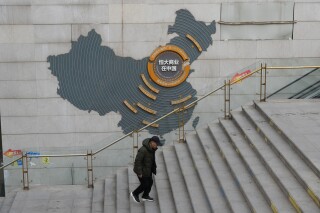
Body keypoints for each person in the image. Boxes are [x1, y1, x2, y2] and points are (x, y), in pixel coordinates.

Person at [130, 136, 161, 203]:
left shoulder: (151, 149)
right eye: (156, 144)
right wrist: (139, 173)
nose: (157, 146)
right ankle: (135, 193)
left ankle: (145, 196)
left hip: (148, 170)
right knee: (145, 184)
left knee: (150, 182)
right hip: (142, 171)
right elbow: (137, 161)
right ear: (152, 142)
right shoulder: (143, 150)